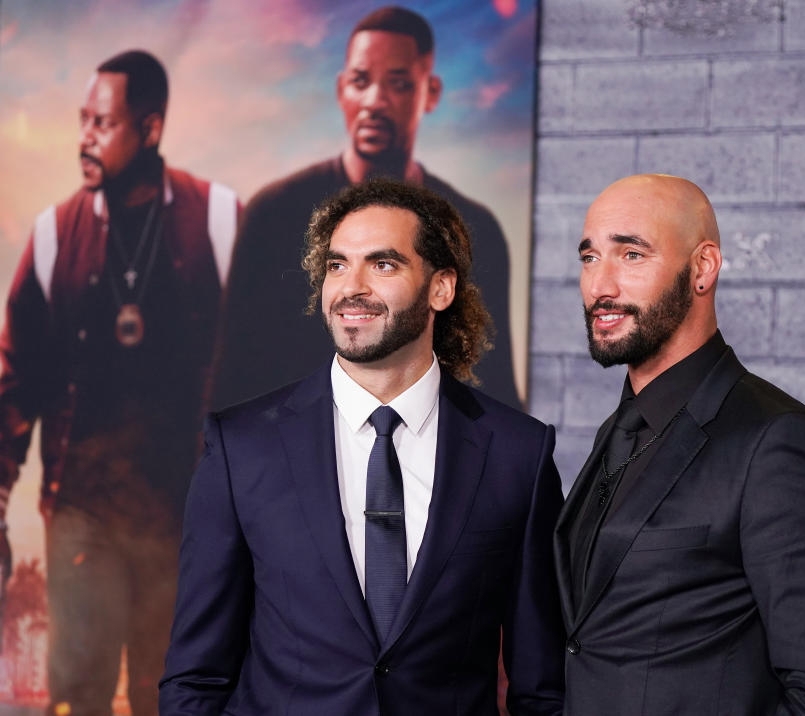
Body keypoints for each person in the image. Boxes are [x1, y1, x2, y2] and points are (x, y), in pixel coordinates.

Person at [160, 178, 564, 715]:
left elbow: (543, 689)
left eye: (383, 264)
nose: (351, 287)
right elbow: (195, 679)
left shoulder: (519, 455)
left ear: (440, 288)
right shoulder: (242, 447)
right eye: (336, 265)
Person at [554, 174, 805, 714]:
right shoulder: (618, 430)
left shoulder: (783, 446)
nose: (601, 286)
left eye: (632, 255)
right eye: (589, 258)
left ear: (703, 267)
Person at [0, 50, 239, 715]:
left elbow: (262, 367)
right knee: (76, 692)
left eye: (102, 123)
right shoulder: (52, 237)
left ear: (151, 128)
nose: (85, 137)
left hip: (189, 513)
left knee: (177, 694)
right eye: (83, 120)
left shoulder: (220, 221)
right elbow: (15, 382)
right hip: (83, 511)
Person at [212, 5, 521, 413]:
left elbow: (494, 391)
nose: (374, 101)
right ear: (342, 90)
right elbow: (232, 380)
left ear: (430, 93)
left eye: (398, 83)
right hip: (287, 457)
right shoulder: (271, 214)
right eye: (361, 81)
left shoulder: (474, 228)